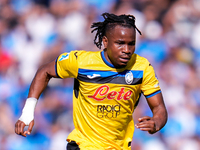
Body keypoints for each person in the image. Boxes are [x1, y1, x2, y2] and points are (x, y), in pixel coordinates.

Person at [15, 12, 167, 150]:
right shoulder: (81, 62)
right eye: (120, 43)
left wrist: (156, 123)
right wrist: (27, 112)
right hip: (83, 145)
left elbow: (159, 108)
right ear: (105, 42)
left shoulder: (142, 68)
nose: (126, 49)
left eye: (131, 43)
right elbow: (44, 71)